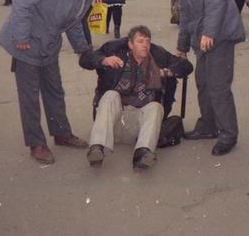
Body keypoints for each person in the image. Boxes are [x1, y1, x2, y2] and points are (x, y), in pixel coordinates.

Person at [0, 0, 124, 165]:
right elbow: (23, 1)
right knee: (30, 96)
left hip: (49, 43)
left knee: (54, 90)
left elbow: (74, 21)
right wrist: (20, 36)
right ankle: (36, 143)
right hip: (27, 40)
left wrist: (83, 50)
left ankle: (61, 133)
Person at [149, 0, 245, 156]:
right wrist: (181, 46)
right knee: (203, 81)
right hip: (204, 36)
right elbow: (187, 13)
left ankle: (228, 134)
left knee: (218, 86)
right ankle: (208, 125)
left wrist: (210, 32)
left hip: (219, 34)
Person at [80, 25, 193, 169]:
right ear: (130, 44)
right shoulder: (114, 50)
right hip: (113, 121)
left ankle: (143, 152)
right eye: (140, 41)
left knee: (156, 107)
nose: (145, 45)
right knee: (110, 95)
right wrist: (103, 60)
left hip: (140, 126)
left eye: (147, 41)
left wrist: (167, 72)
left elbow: (186, 66)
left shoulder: (158, 55)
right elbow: (85, 58)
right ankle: (97, 148)